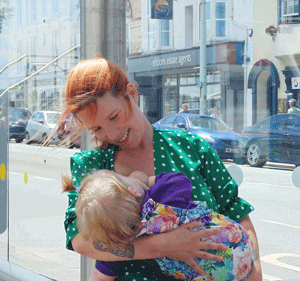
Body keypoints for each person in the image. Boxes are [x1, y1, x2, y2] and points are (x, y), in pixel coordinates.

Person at [59, 57, 262, 280]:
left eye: (114, 116)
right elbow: (81, 239)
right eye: (97, 128)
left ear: (132, 94)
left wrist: (255, 273)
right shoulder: (93, 168)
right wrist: (164, 245)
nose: (112, 134)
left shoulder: (191, 147)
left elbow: (235, 211)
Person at [62, 169, 254, 281]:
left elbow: (99, 277)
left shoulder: (118, 249)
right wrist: (143, 180)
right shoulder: (163, 196)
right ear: (134, 191)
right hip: (239, 245)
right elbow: (181, 178)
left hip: (214, 276)